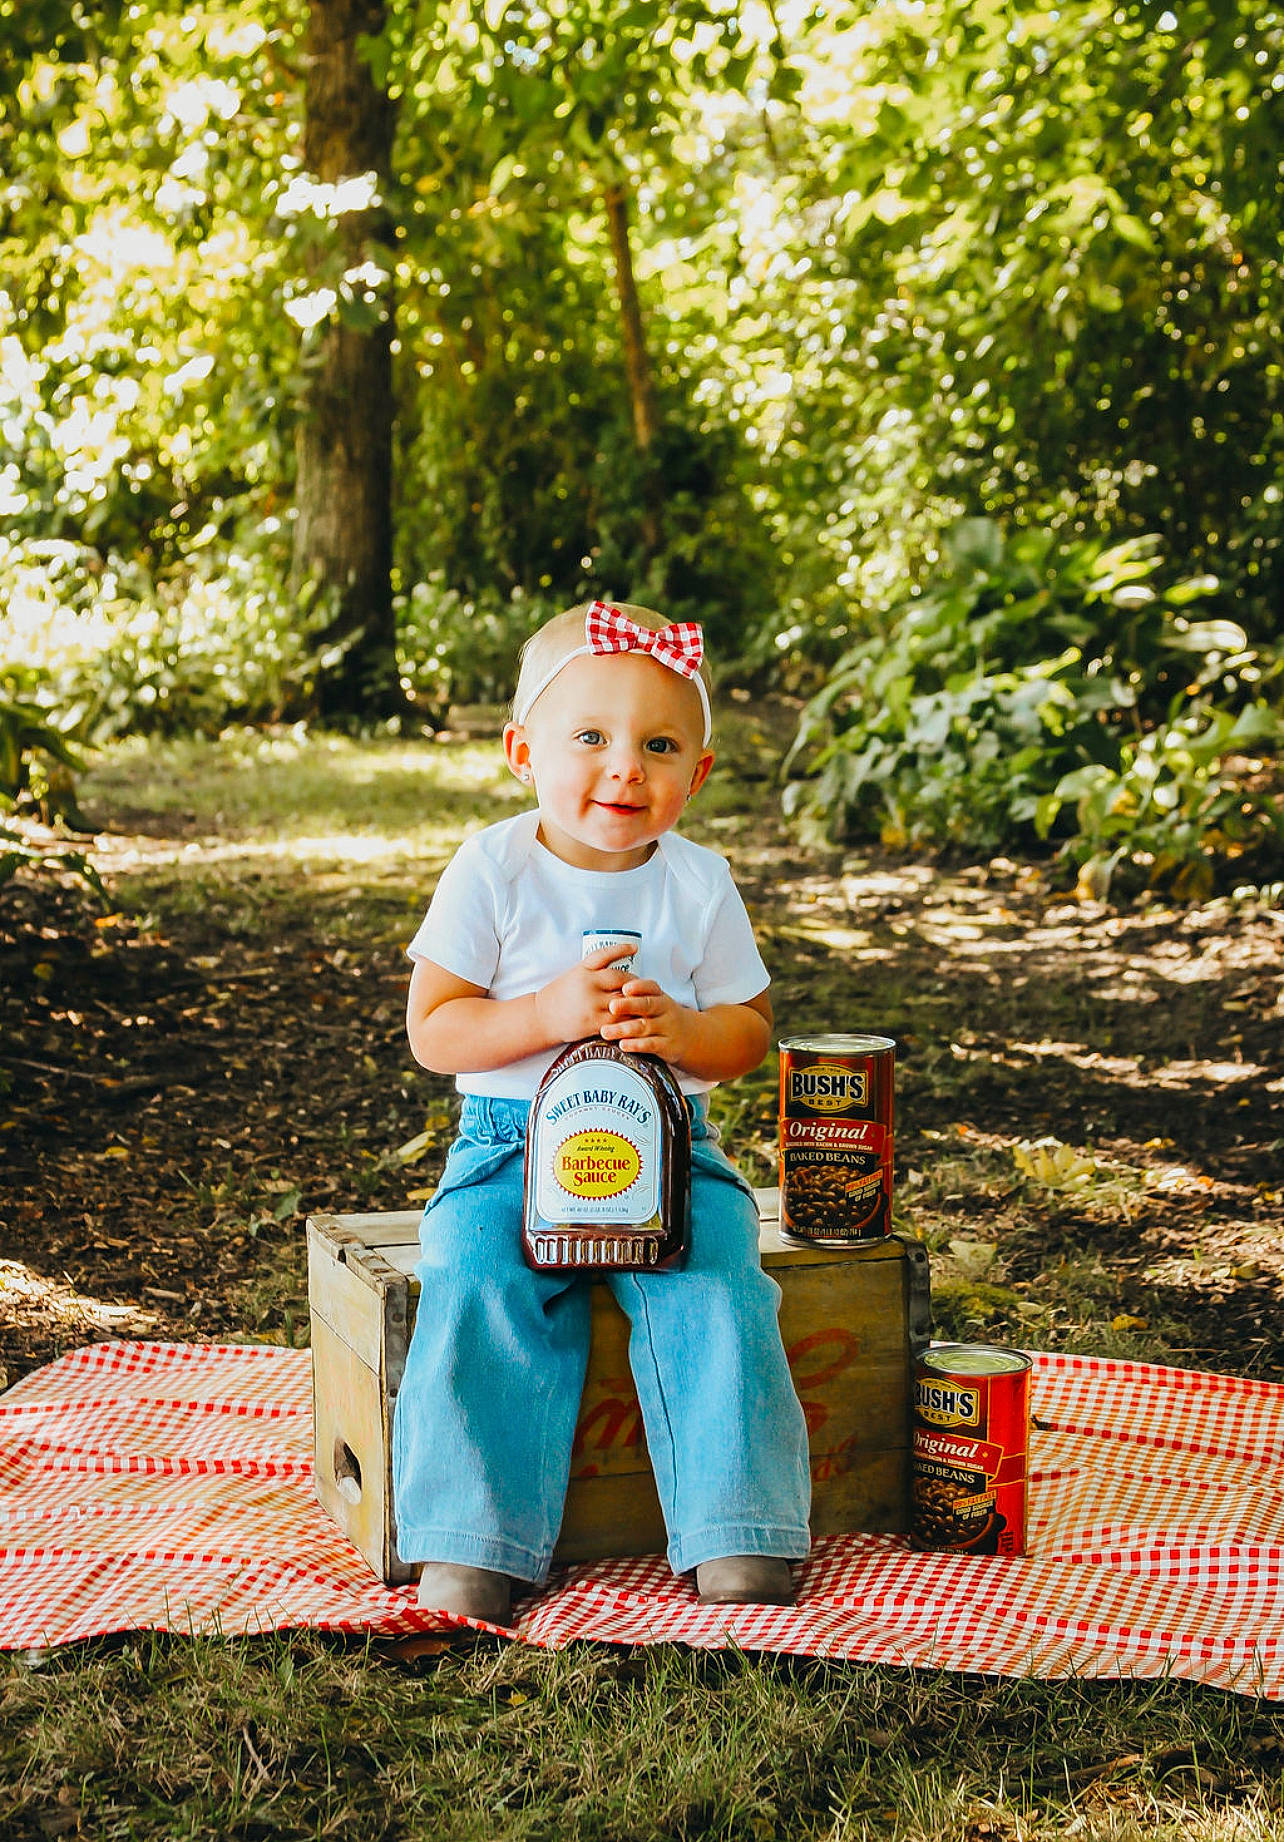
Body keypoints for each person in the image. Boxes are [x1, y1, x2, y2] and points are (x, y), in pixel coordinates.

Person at [391, 598, 811, 1625]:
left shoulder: (700, 885)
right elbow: (436, 1031)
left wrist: (685, 1032)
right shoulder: (494, 868)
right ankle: (475, 1539)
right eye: (589, 737)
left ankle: (739, 1529)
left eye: (660, 745)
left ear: (698, 775)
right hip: (509, 1148)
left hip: (669, 1148)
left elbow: (750, 1031)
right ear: (521, 750)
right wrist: (541, 1013)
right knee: (476, 1278)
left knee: (719, 1283)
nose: (626, 767)